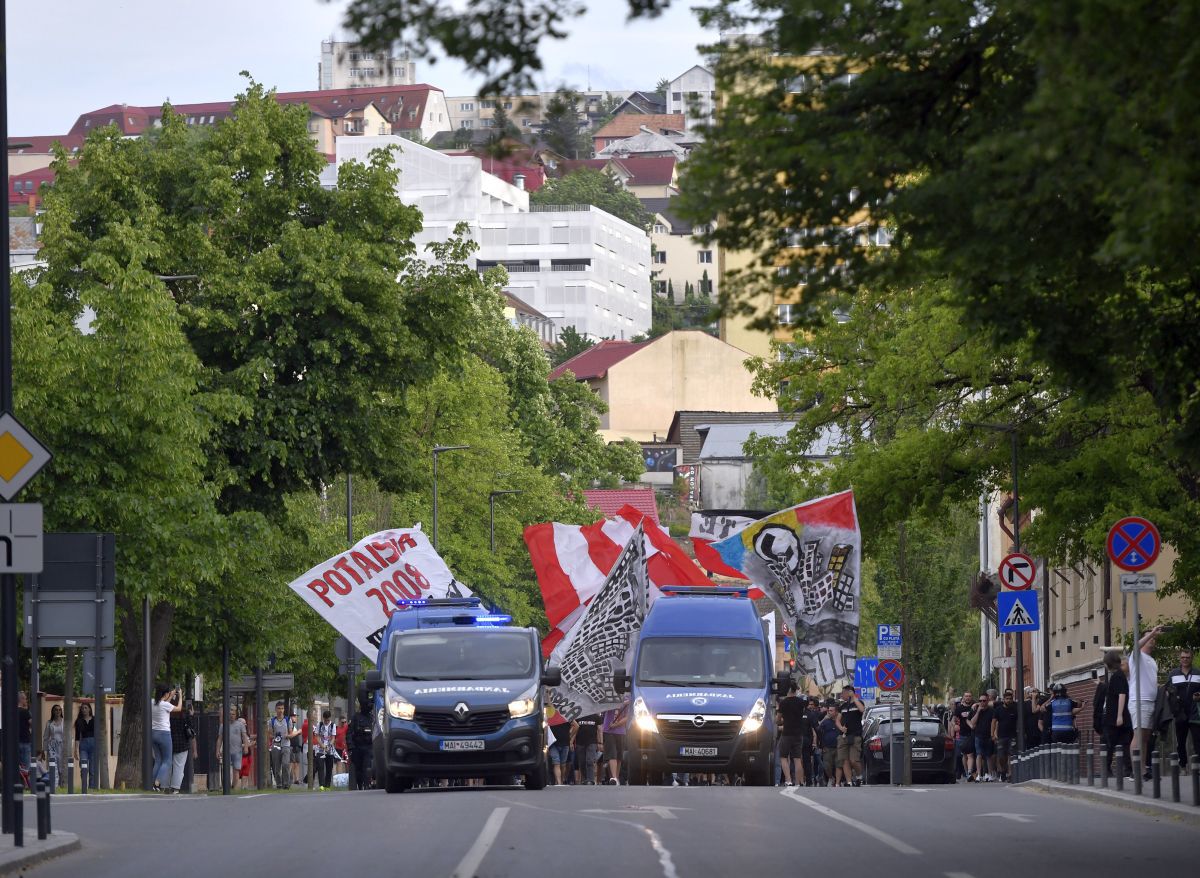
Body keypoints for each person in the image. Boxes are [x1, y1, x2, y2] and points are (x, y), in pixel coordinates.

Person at [1129, 625, 1164, 779]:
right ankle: (1136, 770)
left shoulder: (1151, 660)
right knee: (1138, 735)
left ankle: (1143, 769)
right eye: (1150, 637)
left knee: (1145, 737)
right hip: (1139, 700)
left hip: (1150, 701)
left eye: (1154, 638)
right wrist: (1151, 633)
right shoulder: (1137, 656)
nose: (1152, 639)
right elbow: (1136, 646)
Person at [1102, 649, 1133, 778]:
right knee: (1123, 742)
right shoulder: (1119, 675)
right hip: (1117, 716)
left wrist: (1119, 715)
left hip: (1116, 717)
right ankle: (1127, 768)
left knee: (1112, 743)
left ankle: (1109, 769)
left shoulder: (1117, 676)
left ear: (1108, 663)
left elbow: (1121, 695)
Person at [1167, 647, 1200, 765]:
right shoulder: (1173, 674)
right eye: (1183, 657)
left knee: (1198, 741)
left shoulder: (1198, 673)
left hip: (1195, 713)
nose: (1185, 659)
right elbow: (1168, 691)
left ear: (1191, 658)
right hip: (1180, 713)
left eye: (1187, 657)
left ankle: (1197, 766)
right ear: (1179, 658)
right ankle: (1182, 765)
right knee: (1180, 741)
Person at [777, 683, 812, 786]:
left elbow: (778, 719)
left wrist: (781, 721)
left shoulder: (783, 702)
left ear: (788, 690)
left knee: (783, 757)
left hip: (786, 733)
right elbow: (806, 701)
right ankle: (798, 782)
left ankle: (788, 780)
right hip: (798, 733)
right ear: (796, 690)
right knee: (797, 759)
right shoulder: (801, 702)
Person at [150, 684, 182, 792]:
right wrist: (180, 696)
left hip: (153, 733)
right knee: (167, 761)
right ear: (166, 693)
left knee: (158, 760)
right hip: (164, 734)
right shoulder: (165, 705)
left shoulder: (152, 702)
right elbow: (178, 708)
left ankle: (152, 785)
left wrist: (170, 696)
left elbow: (163, 705)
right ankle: (157, 782)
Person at [835, 684, 865, 787]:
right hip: (844, 736)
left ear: (850, 692)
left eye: (843, 693)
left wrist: (854, 697)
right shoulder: (843, 706)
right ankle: (849, 782)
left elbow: (862, 710)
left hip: (855, 735)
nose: (842, 695)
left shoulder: (858, 703)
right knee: (845, 760)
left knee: (853, 760)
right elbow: (837, 720)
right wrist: (841, 728)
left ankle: (859, 776)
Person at [215, 705, 251, 790]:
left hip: (237, 751)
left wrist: (246, 747)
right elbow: (220, 739)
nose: (231, 716)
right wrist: (217, 750)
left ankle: (234, 787)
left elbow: (244, 737)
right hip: (226, 751)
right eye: (230, 714)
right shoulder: (223, 725)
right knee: (226, 769)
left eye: (233, 714)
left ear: (236, 715)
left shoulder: (240, 725)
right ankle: (226, 787)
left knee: (236, 769)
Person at [968, 692, 996, 781]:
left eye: (984, 700)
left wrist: (993, 734)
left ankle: (989, 774)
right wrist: (978, 711)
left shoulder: (992, 710)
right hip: (978, 735)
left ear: (987, 701)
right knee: (979, 755)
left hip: (988, 735)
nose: (982, 702)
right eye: (980, 701)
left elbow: (994, 722)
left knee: (988, 755)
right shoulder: (975, 710)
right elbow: (972, 722)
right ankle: (979, 775)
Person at [267, 701, 296, 789]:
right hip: (276, 745)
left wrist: (287, 736)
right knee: (276, 766)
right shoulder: (272, 721)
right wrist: (275, 736)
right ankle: (279, 784)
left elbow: (291, 733)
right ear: (276, 709)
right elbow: (270, 735)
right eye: (279, 708)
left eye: (282, 709)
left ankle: (286, 783)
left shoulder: (288, 720)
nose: (280, 710)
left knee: (285, 764)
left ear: (284, 710)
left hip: (286, 745)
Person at [348, 696, 374, 790]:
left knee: (367, 767)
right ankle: (360, 785)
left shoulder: (372, 718)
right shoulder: (356, 718)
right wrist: (351, 746)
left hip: (368, 746)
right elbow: (350, 733)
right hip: (357, 747)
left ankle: (366, 785)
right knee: (358, 770)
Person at [992, 689, 1019, 782]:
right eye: (1007, 699)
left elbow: (1019, 721)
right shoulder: (998, 710)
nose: (1009, 700)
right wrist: (992, 734)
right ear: (1003, 699)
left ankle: (1010, 774)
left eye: (1010, 699)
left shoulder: (1015, 709)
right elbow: (993, 722)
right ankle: (1003, 770)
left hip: (1012, 736)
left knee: (1011, 755)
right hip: (1001, 736)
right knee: (1001, 757)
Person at [167, 701, 193, 794]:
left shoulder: (168, 715)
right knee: (179, 766)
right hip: (182, 744)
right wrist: (191, 715)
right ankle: (175, 787)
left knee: (167, 765)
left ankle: (166, 785)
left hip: (170, 742)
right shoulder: (185, 715)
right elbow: (191, 727)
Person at [602, 698, 629, 785]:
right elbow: (604, 706)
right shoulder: (608, 697)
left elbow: (627, 717)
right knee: (612, 754)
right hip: (608, 730)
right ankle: (613, 777)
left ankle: (616, 777)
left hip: (621, 731)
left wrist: (616, 725)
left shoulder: (628, 698)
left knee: (619, 756)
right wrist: (623, 703)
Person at [546, 706, 574, 786]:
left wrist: (570, 737)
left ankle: (560, 781)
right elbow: (576, 726)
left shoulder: (551, 714)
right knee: (558, 763)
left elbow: (576, 726)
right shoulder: (565, 714)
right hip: (557, 743)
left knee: (561, 764)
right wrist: (569, 737)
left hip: (557, 742)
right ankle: (559, 782)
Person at [952, 692, 975, 779]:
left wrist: (976, 704)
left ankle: (969, 772)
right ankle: (966, 772)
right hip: (962, 734)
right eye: (966, 696)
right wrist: (955, 725)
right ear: (963, 698)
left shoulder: (974, 707)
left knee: (970, 754)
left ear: (971, 697)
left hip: (972, 734)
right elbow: (953, 719)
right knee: (964, 755)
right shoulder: (959, 708)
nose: (968, 698)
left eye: (969, 696)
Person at [74, 702, 97, 791]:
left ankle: (91, 788)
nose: (84, 710)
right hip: (83, 745)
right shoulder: (79, 721)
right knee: (84, 767)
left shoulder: (94, 719)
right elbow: (77, 737)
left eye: (85, 708)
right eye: (82, 708)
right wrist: (76, 750)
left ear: (89, 709)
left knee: (92, 769)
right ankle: (84, 787)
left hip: (94, 745)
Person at [313, 709, 338, 790]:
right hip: (320, 749)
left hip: (329, 750)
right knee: (320, 766)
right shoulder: (319, 724)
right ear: (323, 718)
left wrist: (329, 745)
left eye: (328, 720)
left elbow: (333, 737)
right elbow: (317, 736)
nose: (327, 721)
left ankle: (327, 785)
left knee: (329, 767)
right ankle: (321, 785)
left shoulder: (333, 725)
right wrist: (322, 745)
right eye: (325, 720)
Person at [818, 703, 841, 787]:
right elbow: (818, 730)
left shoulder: (840, 721)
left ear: (836, 712)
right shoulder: (826, 721)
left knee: (839, 765)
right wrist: (821, 745)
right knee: (827, 766)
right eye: (828, 710)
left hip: (839, 747)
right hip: (827, 747)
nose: (829, 712)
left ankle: (837, 782)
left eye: (831, 711)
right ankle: (831, 778)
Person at [43, 704, 65, 789]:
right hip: (52, 746)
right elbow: (45, 737)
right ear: (53, 711)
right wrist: (44, 750)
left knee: (61, 766)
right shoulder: (49, 723)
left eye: (59, 710)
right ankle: (55, 786)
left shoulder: (64, 722)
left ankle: (62, 785)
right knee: (53, 766)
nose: (58, 711)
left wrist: (69, 749)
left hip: (62, 747)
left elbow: (70, 737)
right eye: (56, 710)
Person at [574, 713, 601, 785]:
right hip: (580, 742)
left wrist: (600, 742)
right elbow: (574, 728)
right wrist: (571, 741)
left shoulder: (596, 716)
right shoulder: (578, 716)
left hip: (592, 742)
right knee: (582, 762)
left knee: (590, 761)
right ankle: (585, 778)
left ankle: (590, 779)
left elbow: (600, 730)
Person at [16, 691, 32, 773]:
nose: (26, 701)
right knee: (26, 767)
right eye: (25, 699)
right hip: (25, 741)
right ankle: (25, 781)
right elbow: (31, 723)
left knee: (17, 767)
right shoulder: (25, 712)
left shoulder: (12, 711)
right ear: (21, 699)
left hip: (15, 742)